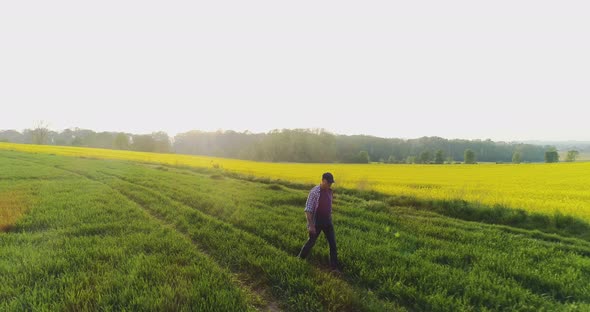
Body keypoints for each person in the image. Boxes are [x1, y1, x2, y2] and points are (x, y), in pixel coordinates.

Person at [298, 172, 340, 272]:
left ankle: (334, 268)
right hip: (316, 222)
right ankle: (299, 259)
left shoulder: (330, 191)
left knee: (333, 244)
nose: (330, 185)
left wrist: (330, 215)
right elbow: (308, 209)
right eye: (329, 183)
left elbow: (328, 206)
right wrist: (311, 225)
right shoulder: (314, 192)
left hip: (328, 222)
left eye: (331, 183)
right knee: (311, 242)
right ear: (323, 181)